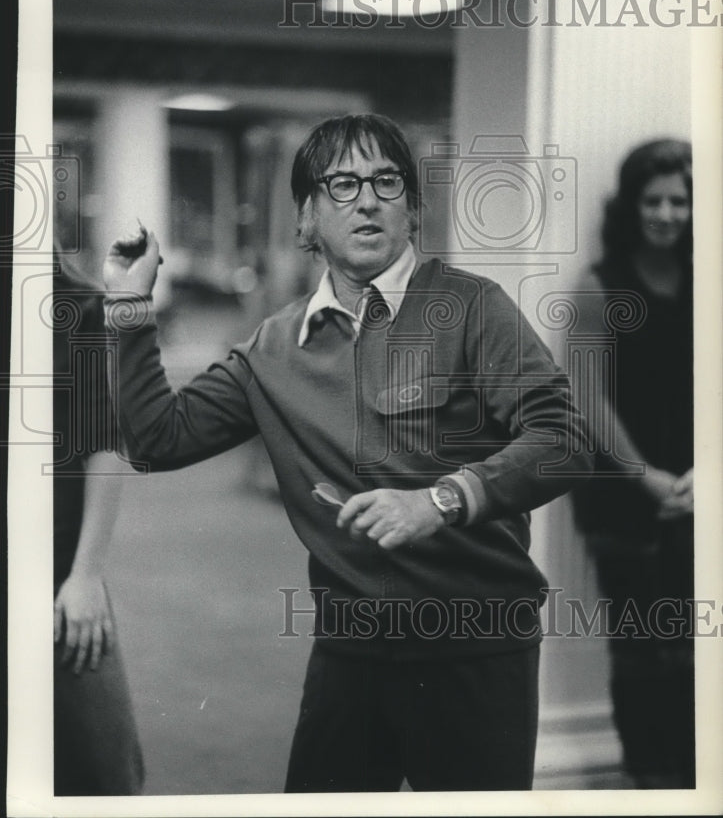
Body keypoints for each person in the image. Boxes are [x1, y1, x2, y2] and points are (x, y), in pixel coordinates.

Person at [102, 113, 591, 793]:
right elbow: (158, 441)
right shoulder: (273, 348)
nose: (366, 200)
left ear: (412, 210)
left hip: (475, 647)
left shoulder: (473, 309)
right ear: (304, 220)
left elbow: (563, 439)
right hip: (350, 650)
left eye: (386, 182)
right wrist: (129, 304)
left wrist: (441, 501)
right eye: (341, 185)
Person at [571, 139, 694, 788]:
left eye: (679, 199)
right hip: (622, 497)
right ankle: (651, 786)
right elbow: (585, 398)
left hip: (699, 493)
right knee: (644, 652)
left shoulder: (708, 281)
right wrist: (646, 478)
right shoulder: (598, 285)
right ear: (629, 205)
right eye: (653, 199)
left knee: (695, 656)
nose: (667, 213)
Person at [53, 250, 145, 795]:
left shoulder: (78, 302)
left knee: (105, 773)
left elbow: (107, 443)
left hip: (59, 573)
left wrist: (85, 576)